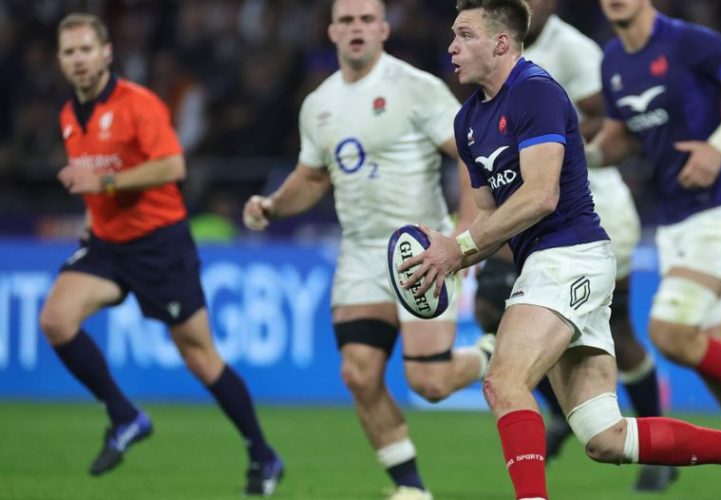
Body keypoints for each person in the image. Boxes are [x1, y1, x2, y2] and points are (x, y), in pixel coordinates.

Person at [402, 1, 721, 499]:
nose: (452, 47)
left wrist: (458, 248)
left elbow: (541, 194)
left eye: (464, 35)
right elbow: (489, 220)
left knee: (504, 382)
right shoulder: (468, 122)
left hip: (571, 256)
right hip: (547, 263)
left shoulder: (537, 92)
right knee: (605, 438)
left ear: (501, 43)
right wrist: (448, 257)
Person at [241, 1, 489, 498]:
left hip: (421, 248)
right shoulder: (319, 104)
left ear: (383, 29)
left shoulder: (415, 87)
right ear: (333, 31)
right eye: (346, 21)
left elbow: (468, 149)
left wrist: (466, 229)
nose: (356, 28)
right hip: (359, 254)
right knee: (358, 373)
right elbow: (312, 178)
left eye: (365, 20)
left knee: (430, 383)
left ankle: (491, 351)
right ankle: (411, 488)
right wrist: (272, 205)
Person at [44, 12, 284, 495]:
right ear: (61, 61)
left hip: (160, 245)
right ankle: (124, 415)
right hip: (107, 246)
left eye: (86, 49)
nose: (79, 60)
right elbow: (96, 188)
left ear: (107, 52)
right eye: (70, 52)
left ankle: (263, 454)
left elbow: (173, 165)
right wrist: (93, 223)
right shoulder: (70, 116)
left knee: (200, 358)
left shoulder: (138, 104)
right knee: (56, 320)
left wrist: (106, 182)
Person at [588, 2, 721, 496]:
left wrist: (718, 145)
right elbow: (619, 138)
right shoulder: (613, 60)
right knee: (713, 362)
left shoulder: (685, 40)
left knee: (669, 331)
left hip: (720, 210)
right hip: (674, 222)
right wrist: (578, 156)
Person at [516, 0, 674, 490]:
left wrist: (542, 137)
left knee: (619, 332)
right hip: (542, 217)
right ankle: (561, 412)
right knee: (498, 312)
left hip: (596, 206)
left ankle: (658, 451)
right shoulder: (499, 48)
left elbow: (608, 123)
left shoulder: (573, 50)